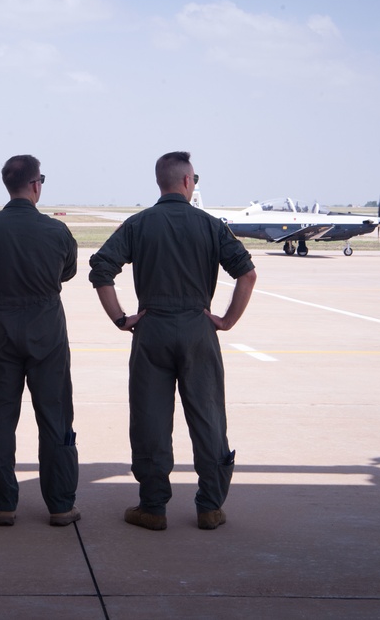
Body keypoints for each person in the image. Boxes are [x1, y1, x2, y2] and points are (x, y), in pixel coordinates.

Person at [88, 151, 256, 531]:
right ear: (186, 182)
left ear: (160, 182)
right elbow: (247, 274)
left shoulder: (138, 223)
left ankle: (153, 507)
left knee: (150, 418)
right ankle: (210, 506)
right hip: (198, 329)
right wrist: (227, 320)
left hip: (151, 331)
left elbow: (101, 269)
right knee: (209, 417)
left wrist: (121, 318)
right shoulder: (211, 225)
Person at [0, 155, 80, 527]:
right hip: (46, 328)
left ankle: (3, 504)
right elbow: (68, 271)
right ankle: (61, 505)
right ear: (35, 185)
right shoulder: (56, 232)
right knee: (55, 416)